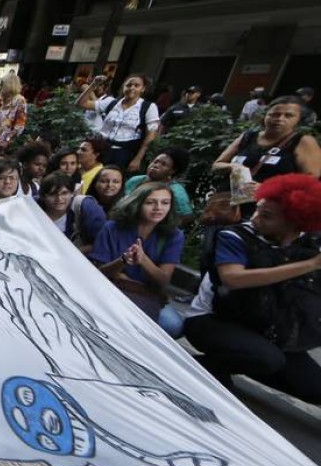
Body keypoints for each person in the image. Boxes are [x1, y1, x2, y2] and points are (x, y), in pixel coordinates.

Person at [184, 174, 321, 403]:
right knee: (268, 358)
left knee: (315, 390)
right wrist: (309, 265)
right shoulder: (235, 236)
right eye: (257, 209)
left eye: (266, 216)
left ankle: (246, 362)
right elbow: (233, 278)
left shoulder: (309, 244)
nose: (255, 218)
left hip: (271, 330)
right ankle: (200, 366)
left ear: (294, 223)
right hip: (213, 320)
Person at [90, 182, 185, 336]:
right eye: (150, 202)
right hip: (111, 290)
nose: (158, 208)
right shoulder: (113, 227)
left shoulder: (173, 235)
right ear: (137, 203)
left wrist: (143, 260)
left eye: (165, 203)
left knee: (173, 326)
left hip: (146, 294)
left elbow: (163, 280)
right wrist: (123, 260)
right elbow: (98, 271)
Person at [211, 95, 321, 195]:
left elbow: (310, 180)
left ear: (298, 120)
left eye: (288, 116)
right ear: (265, 116)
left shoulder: (303, 141)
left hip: (268, 207)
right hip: (227, 204)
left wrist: (266, 188)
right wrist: (233, 166)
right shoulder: (248, 137)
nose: (279, 119)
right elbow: (217, 165)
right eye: (274, 114)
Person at [77, 73, 160, 172]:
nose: (132, 88)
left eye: (136, 85)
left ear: (143, 89)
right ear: (123, 87)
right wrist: (93, 85)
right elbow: (81, 103)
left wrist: (138, 159)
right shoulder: (111, 102)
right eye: (128, 85)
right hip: (102, 149)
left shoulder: (148, 107)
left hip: (123, 153)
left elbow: (150, 136)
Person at [36, 173, 105, 255]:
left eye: (64, 193)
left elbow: (100, 242)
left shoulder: (85, 207)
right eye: (53, 194)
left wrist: (70, 254)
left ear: (72, 193)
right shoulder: (32, 207)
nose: (59, 198)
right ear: (42, 196)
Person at [125, 147, 194, 222]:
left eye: (163, 164)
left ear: (172, 171)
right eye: (155, 162)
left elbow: (186, 217)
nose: (155, 166)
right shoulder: (135, 180)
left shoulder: (176, 192)